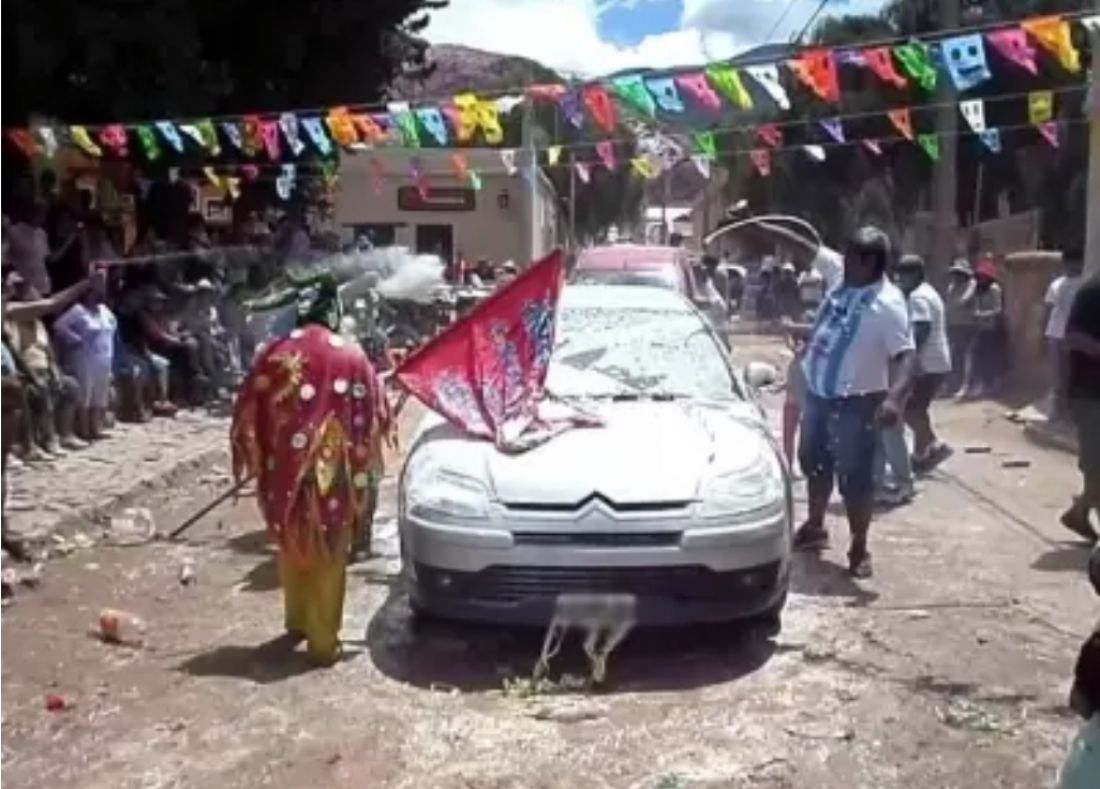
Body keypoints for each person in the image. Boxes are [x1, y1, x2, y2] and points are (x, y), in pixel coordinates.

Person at [230, 272, 393, 665]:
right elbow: (375, 411)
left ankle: (298, 620)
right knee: (329, 550)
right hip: (332, 474)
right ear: (334, 309)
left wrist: (258, 455)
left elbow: (247, 410)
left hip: (281, 469)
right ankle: (322, 642)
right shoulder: (351, 355)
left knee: (291, 542)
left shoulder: (275, 351)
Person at [791, 226, 915, 578]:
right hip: (819, 395)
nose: (841, 262)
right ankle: (815, 527)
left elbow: (907, 357)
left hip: (857, 404)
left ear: (867, 262)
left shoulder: (888, 305)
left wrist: (894, 399)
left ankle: (859, 547)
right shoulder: (838, 276)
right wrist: (757, 222)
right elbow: (805, 246)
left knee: (856, 480)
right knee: (814, 464)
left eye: (850, 258)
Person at [3, 274, 82, 453]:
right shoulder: (12, 322)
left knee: (70, 386)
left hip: (44, 370)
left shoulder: (39, 324)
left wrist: (55, 371)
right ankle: (47, 440)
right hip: (26, 374)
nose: (37, 299)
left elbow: (49, 351)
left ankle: (66, 434)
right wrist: (33, 377)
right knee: (39, 391)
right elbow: (17, 356)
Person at [895, 254, 953, 472]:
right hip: (937, 361)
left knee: (910, 409)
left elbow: (921, 328)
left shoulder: (918, 297)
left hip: (927, 362)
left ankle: (935, 445)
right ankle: (920, 456)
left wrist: (911, 358)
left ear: (915, 275)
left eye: (903, 276)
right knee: (919, 408)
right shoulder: (929, 292)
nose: (901, 281)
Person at [1060, 268, 1100, 543]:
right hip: (1090, 393)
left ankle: (1081, 510)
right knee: (1096, 464)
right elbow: (1072, 336)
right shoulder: (1092, 292)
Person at [53, 271, 116, 441]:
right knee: (85, 393)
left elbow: (111, 330)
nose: (98, 295)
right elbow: (59, 326)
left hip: (104, 356)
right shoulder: (78, 310)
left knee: (100, 393)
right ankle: (84, 429)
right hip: (84, 357)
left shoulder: (104, 311)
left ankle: (96, 427)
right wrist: (75, 339)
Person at [1044, 247, 1084, 422]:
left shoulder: (1084, 283)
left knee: (1074, 375)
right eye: (1068, 262)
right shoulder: (1056, 284)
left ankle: (1072, 413)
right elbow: (1049, 309)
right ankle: (1057, 411)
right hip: (1055, 334)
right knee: (1058, 376)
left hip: (1076, 336)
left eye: (1075, 261)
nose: (1071, 265)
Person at [961, 255, 1005, 399]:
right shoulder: (979, 289)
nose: (980, 279)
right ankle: (983, 384)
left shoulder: (994, 289)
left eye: (982, 276)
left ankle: (989, 385)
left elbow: (998, 310)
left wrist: (981, 315)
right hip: (981, 328)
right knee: (977, 355)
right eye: (979, 276)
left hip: (992, 329)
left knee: (985, 356)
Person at [944, 258, 977, 396]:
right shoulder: (952, 286)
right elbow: (948, 304)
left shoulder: (971, 283)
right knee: (952, 356)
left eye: (959, 273)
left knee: (964, 355)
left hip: (966, 325)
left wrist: (955, 301)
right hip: (952, 324)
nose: (956, 276)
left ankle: (964, 385)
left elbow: (964, 300)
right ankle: (952, 384)